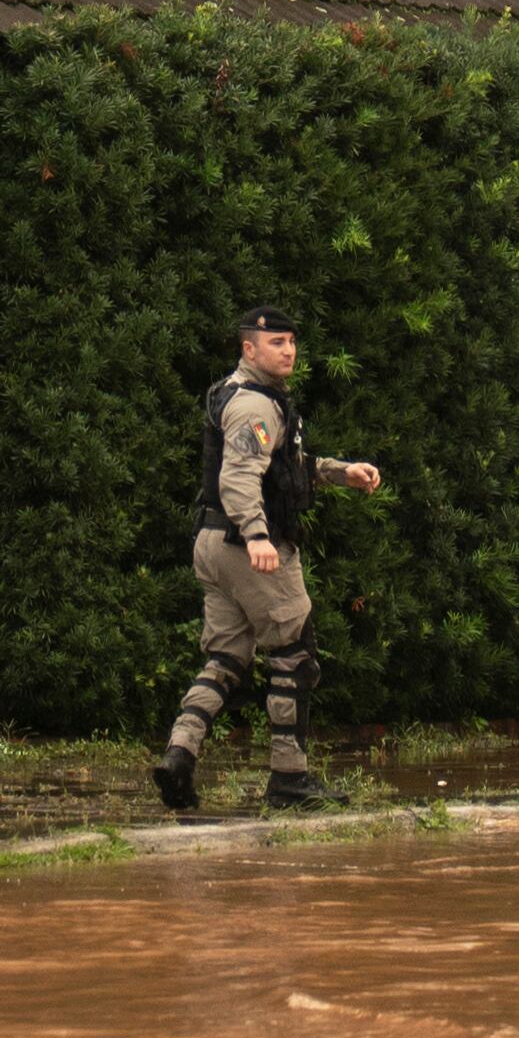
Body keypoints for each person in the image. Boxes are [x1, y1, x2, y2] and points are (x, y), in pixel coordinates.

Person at [154, 306, 383, 813]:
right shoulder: (254, 406)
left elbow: (287, 468)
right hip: (247, 547)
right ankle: (289, 781)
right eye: (276, 342)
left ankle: (179, 754)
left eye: (292, 342)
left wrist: (341, 472)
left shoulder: (248, 398)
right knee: (294, 656)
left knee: (226, 660)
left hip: (213, 544)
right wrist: (257, 535)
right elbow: (237, 479)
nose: (289, 351)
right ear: (249, 348)